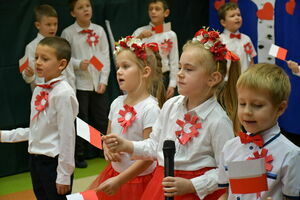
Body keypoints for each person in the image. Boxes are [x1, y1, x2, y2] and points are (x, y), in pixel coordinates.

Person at [103, 28, 241, 199]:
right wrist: (128, 146)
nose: (180, 74)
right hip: (163, 183)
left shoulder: (218, 120)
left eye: (189, 69)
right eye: (180, 67)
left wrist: (192, 185)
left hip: (194, 192)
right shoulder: (170, 106)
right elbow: (155, 146)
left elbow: (227, 170)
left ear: (212, 79)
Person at [87, 36, 165, 200]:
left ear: (145, 72)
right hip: (114, 173)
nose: (119, 71)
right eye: (118, 67)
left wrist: (120, 180)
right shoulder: (116, 103)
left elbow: (149, 155)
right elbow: (107, 137)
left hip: (139, 181)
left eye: (126, 66)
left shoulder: (150, 108)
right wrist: (107, 149)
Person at [0, 37, 78, 200]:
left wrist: (64, 174)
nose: (38, 62)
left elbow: (67, 137)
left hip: (54, 164)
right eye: (36, 57)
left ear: (61, 64)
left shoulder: (63, 94)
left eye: (45, 59)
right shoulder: (38, 90)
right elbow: (37, 130)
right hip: (35, 160)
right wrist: (5, 136)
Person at [217, 63, 300, 200]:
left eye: (257, 105)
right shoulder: (229, 147)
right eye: (242, 104)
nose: (247, 112)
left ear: (280, 108)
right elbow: (224, 194)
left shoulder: (290, 154)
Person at [61, 0, 111, 168]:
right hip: (79, 83)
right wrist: (77, 63)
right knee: (81, 119)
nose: (85, 10)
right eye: (80, 7)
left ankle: (103, 148)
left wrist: (103, 80)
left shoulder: (99, 30)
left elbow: (105, 56)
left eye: (87, 6)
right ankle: (81, 154)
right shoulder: (68, 33)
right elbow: (64, 56)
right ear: (73, 13)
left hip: (97, 83)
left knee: (101, 117)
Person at [22, 4, 75, 91]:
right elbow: (28, 75)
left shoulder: (61, 44)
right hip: (42, 95)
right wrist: (30, 75)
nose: (53, 28)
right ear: (38, 25)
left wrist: (72, 90)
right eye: (48, 24)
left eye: (55, 24)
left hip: (63, 91)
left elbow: (69, 71)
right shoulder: (31, 47)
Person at [133, 0, 179, 99]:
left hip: (163, 77)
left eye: (157, 9)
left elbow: (174, 61)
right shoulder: (140, 31)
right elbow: (128, 51)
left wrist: (172, 83)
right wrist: (140, 37)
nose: (153, 12)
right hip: (143, 76)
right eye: (151, 9)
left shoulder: (171, 34)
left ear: (166, 13)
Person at [218, 2, 256, 74]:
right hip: (227, 81)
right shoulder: (219, 40)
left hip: (245, 80)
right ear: (223, 22)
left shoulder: (246, 39)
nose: (237, 18)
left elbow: (251, 60)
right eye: (232, 16)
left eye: (238, 15)